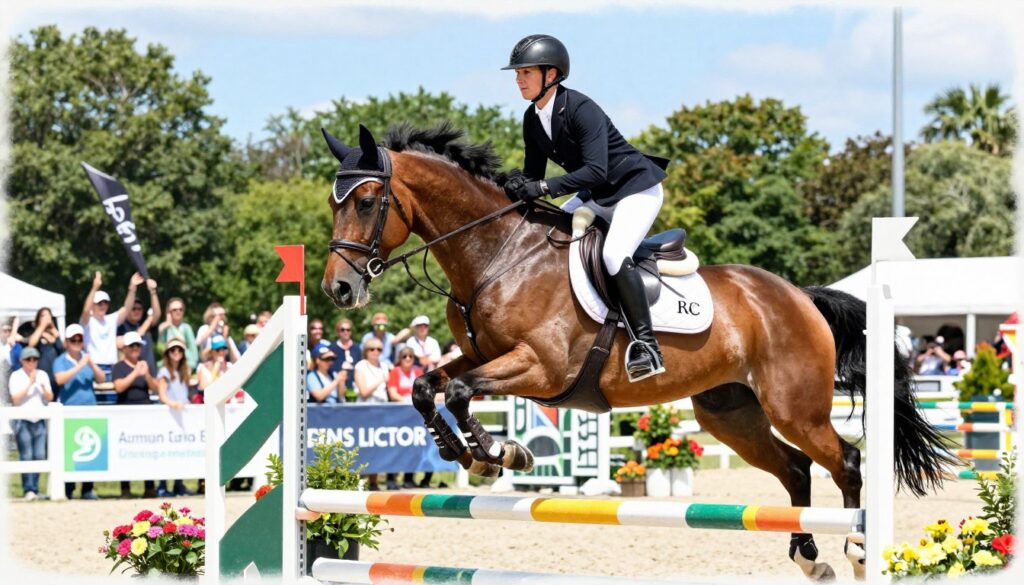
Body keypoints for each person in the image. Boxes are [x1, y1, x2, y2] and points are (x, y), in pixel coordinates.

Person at [501, 34, 668, 382]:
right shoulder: (532, 118)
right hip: (597, 195)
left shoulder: (580, 108)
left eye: (526, 72)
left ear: (551, 74)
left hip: (634, 190)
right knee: (550, 235)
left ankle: (647, 345)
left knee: (613, 253)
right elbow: (534, 174)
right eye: (517, 73)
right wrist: (517, 183)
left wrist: (544, 187)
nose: (518, 79)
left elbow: (596, 170)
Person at [53, 323, 106, 499]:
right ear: (67, 342)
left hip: (90, 410)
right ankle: (68, 489)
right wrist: (79, 365)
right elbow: (60, 379)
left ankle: (87, 489)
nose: (77, 342)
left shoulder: (87, 358)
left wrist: (91, 363)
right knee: (70, 453)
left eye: (79, 339)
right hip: (69, 412)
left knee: (91, 451)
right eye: (73, 340)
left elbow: (101, 378)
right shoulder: (60, 361)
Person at [113, 330, 159, 498]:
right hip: (125, 412)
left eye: (138, 346)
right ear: (124, 348)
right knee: (125, 450)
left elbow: (155, 388)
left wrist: (146, 375)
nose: (135, 349)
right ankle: (126, 488)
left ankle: (149, 487)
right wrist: (135, 373)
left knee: (147, 450)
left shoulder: (145, 365)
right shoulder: (118, 367)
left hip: (144, 412)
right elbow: (119, 386)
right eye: (132, 346)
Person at [9, 347, 54, 500]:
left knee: (40, 455)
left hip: (40, 419)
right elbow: (15, 399)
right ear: (22, 361)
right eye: (29, 360)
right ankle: (29, 488)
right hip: (23, 420)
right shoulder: (16, 376)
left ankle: (34, 488)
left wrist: (40, 386)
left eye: (35, 359)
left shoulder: (43, 375)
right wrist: (30, 383)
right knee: (26, 455)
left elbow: (49, 397)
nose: (32, 362)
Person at [386, 347, 432, 489]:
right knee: (396, 448)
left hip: (415, 416)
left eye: (410, 356)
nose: (407, 359)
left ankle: (408, 478)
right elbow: (393, 394)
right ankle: (391, 479)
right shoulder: (395, 372)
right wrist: (408, 400)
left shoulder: (418, 372)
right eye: (404, 356)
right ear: (400, 359)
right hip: (398, 416)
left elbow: (424, 391)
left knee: (414, 447)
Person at [82, 271, 144, 376]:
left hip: (112, 366)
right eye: (99, 303)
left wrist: (132, 287)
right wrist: (94, 287)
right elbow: (86, 310)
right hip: (93, 366)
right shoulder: (88, 321)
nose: (103, 305)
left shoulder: (111, 319)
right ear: (93, 305)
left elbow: (127, 308)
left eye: (105, 302)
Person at [155, 337, 194, 497]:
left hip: (181, 416)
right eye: (173, 350)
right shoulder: (164, 372)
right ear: (168, 353)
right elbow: (162, 396)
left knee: (181, 450)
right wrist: (174, 404)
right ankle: (163, 486)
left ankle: (179, 484)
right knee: (166, 451)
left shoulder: (185, 371)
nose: (176, 352)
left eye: (179, 350)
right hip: (169, 415)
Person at [354, 338, 390, 490]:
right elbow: (364, 391)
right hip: (365, 410)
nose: (376, 352)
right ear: (366, 351)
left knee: (377, 447)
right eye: (372, 349)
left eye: (379, 349)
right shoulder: (361, 366)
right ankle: (358, 480)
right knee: (363, 446)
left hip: (382, 409)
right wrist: (381, 380)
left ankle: (373, 481)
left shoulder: (384, 366)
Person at [117, 280, 161, 375]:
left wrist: (153, 292)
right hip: (131, 375)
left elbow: (157, 314)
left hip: (150, 373)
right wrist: (148, 320)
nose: (137, 311)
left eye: (139, 309)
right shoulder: (121, 327)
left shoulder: (145, 325)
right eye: (133, 309)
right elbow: (121, 342)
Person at [158, 297, 199, 370]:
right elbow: (160, 350)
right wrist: (162, 330)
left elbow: (194, 353)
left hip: (185, 366)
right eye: (174, 310)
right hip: (168, 367)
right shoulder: (164, 328)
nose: (178, 312)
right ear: (168, 313)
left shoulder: (187, 328)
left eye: (181, 309)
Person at [26, 307, 64, 384]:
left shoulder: (55, 335)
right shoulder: (35, 334)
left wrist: (53, 328)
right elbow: (31, 345)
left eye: (48, 315)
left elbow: (61, 349)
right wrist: (42, 326)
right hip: (40, 378)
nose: (46, 318)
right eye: (43, 316)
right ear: (38, 319)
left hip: (55, 376)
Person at [329, 318, 361, 401]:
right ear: (338, 332)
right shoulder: (332, 348)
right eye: (342, 330)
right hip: (337, 388)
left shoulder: (357, 348)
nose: (345, 332)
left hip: (355, 388)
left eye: (348, 330)